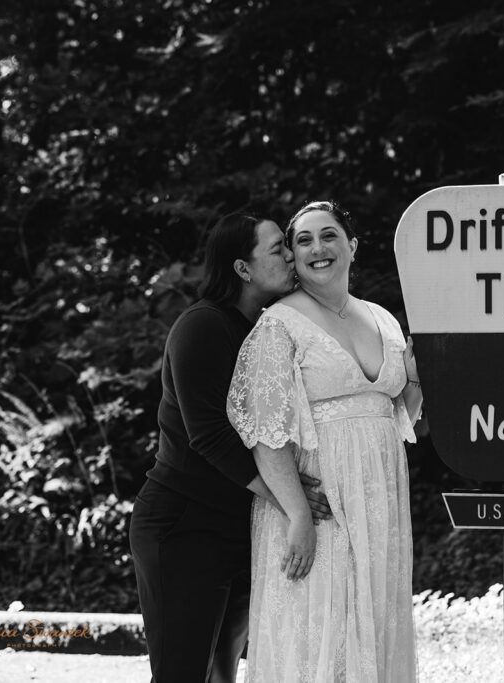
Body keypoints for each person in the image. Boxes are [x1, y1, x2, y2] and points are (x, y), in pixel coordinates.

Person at [227, 200, 424, 682]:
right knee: (320, 622)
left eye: (329, 235)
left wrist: (416, 376)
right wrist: (296, 514)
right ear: (293, 256)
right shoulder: (279, 323)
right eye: (304, 240)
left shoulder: (383, 319)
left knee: (373, 614)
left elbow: (401, 416)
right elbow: (266, 434)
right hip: (319, 501)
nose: (318, 248)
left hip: (379, 500)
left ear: (352, 246)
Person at [129, 212, 331, 683]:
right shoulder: (201, 326)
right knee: (182, 675)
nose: (292, 256)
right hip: (183, 527)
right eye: (278, 248)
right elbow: (210, 435)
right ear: (242, 268)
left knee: (222, 674)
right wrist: (289, 499)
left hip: (236, 528)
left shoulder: (264, 329)